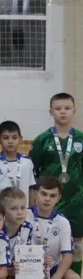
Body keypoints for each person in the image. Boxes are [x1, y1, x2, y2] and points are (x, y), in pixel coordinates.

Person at [23, 176, 79, 279]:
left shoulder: (62, 222)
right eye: (44, 194)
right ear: (36, 194)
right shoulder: (25, 215)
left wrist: (57, 277)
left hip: (51, 268)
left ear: (59, 198)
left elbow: (67, 255)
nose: (47, 199)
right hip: (28, 271)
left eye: (52, 195)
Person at [29, 92, 83, 246]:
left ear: (74, 111)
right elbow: (32, 173)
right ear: (51, 112)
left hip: (77, 200)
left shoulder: (81, 139)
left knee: (76, 243)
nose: (63, 112)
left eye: (67, 108)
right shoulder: (42, 139)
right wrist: (32, 202)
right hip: (48, 199)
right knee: (46, 241)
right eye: (58, 108)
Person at [0, 121, 36, 205]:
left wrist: (32, 210)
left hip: (22, 211)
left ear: (20, 139)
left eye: (14, 137)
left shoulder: (27, 162)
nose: (10, 141)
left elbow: (32, 189)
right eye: (5, 138)